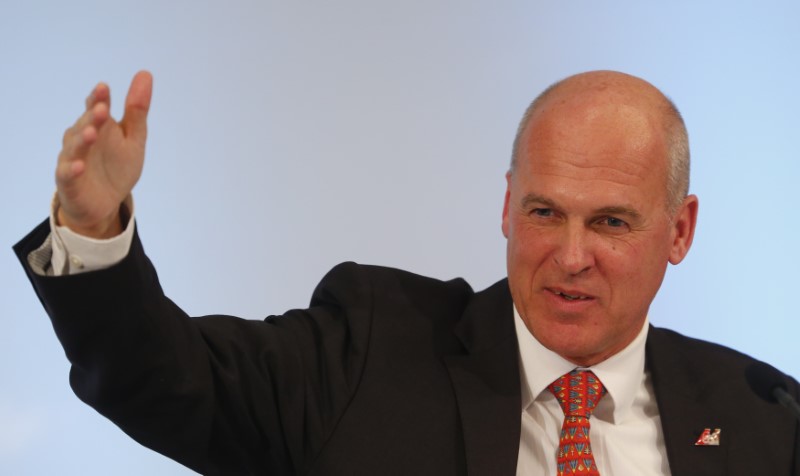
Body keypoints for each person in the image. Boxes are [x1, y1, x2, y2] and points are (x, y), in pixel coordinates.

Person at [15, 70, 799, 475]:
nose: (568, 255)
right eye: (543, 212)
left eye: (611, 223)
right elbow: (168, 381)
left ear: (680, 231)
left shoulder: (766, 420)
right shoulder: (369, 351)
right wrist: (93, 231)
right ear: (504, 205)